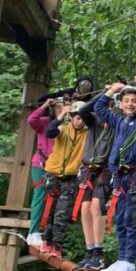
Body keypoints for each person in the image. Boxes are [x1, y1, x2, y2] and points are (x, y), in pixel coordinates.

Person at [94, 76, 136, 271]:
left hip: (134, 176)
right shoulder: (118, 120)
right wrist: (112, 89)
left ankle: (129, 261)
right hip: (119, 176)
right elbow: (100, 107)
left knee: (132, 218)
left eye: (134, 101)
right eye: (126, 101)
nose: (130, 104)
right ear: (120, 104)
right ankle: (122, 259)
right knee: (120, 218)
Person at [39, 101, 89, 257]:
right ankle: (47, 240)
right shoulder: (63, 129)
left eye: (83, 119)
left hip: (71, 178)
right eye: (77, 118)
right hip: (53, 174)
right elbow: (50, 132)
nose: (80, 122)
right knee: (50, 209)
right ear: (72, 117)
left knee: (63, 213)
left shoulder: (87, 134)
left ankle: (57, 245)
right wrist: (61, 114)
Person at [72, 91, 115, 270]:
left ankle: (98, 252)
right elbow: (83, 110)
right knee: (85, 209)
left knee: (97, 206)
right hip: (89, 168)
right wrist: (107, 91)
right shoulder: (94, 120)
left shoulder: (118, 122)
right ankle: (90, 251)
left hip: (104, 168)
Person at [25, 98, 60, 246]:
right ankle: (33, 232)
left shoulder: (70, 126)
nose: (61, 110)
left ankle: (47, 232)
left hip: (57, 167)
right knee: (39, 194)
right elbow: (32, 120)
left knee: (54, 199)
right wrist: (45, 105)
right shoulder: (45, 122)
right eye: (58, 108)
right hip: (41, 163)